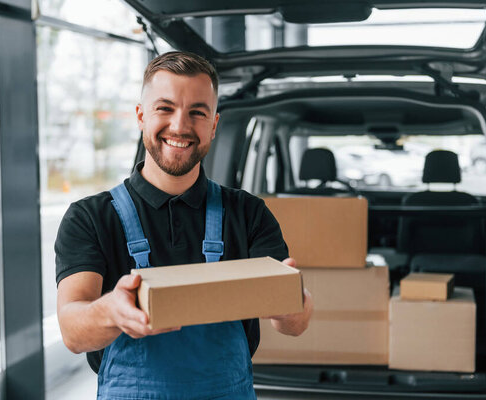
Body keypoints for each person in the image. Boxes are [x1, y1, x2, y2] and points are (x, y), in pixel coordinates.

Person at [55, 51, 313, 400]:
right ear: (140, 115)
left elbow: (295, 324)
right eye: (165, 108)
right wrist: (111, 312)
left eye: (197, 112)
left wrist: (291, 301)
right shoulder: (90, 217)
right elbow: (72, 330)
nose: (180, 125)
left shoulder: (248, 213)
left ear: (214, 124)